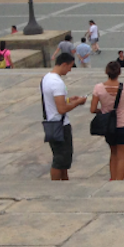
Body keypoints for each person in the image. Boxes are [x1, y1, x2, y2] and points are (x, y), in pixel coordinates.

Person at [90, 60, 124, 181]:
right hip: (123, 123)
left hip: (109, 126)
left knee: (113, 153)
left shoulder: (98, 88)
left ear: (106, 72)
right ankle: (120, 180)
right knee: (122, 156)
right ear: (119, 72)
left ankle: (113, 178)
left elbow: (93, 109)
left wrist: (102, 111)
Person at [42, 52, 86, 180]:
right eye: (70, 67)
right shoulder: (57, 83)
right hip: (60, 125)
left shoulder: (46, 78)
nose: (70, 70)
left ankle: (64, 181)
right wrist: (77, 103)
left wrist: (68, 100)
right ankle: (57, 185)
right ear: (64, 64)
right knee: (60, 158)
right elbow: (61, 109)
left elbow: (54, 102)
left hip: (51, 122)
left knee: (63, 158)